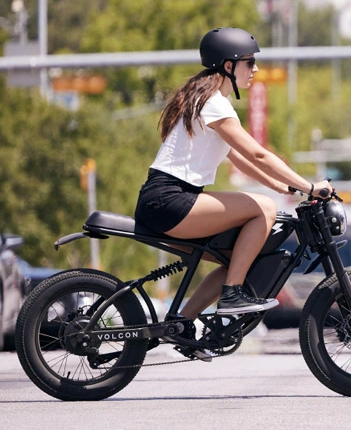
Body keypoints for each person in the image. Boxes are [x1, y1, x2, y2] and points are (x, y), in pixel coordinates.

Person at [134, 27, 333, 325]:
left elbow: (241, 159)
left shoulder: (205, 102)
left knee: (237, 260)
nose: (255, 69)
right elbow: (259, 154)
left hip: (169, 200)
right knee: (263, 208)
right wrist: (311, 186)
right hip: (171, 199)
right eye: (249, 62)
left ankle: (181, 324)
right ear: (229, 66)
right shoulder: (214, 104)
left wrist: (284, 187)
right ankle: (232, 294)